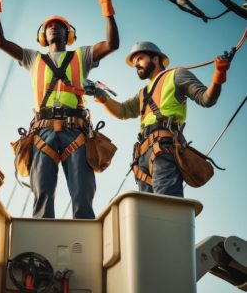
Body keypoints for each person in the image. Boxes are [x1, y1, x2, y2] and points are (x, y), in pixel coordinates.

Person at [0, 0, 119, 219]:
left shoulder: (81, 56)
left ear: (68, 35)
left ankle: (84, 241)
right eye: (50, 27)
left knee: (82, 194)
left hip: (76, 130)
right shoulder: (32, 58)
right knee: (42, 193)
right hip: (43, 130)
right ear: (43, 35)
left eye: (60, 27)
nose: (54, 29)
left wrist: (106, 6)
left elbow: (111, 44)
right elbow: (0, 42)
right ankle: (41, 245)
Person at [88, 41, 235, 197]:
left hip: (164, 148)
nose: (136, 64)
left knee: (166, 205)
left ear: (156, 59)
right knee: (147, 213)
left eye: (140, 58)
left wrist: (219, 75)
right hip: (142, 156)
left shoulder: (176, 75)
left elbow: (206, 99)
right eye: (134, 62)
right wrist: (101, 96)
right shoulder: (143, 93)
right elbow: (122, 111)